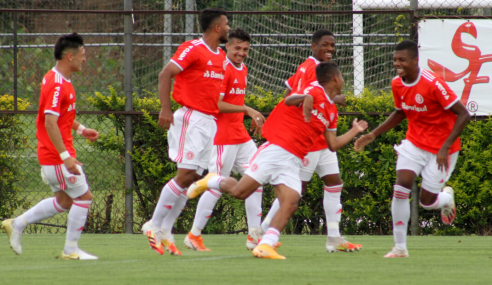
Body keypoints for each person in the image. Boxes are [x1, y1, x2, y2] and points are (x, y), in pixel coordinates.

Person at [187, 62, 368, 259]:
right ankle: (211, 181)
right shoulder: (314, 90)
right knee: (240, 192)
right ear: (335, 78)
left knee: (290, 202)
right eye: (342, 76)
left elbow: (332, 144)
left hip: (293, 160)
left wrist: (354, 131)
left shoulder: (331, 111)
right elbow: (290, 99)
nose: (343, 80)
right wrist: (305, 97)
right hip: (275, 151)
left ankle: (265, 245)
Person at [354, 40, 470, 258]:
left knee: (426, 203)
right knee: (401, 187)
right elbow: (400, 112)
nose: (397, 64)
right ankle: (400, 247)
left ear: (415, 61)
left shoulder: (433, 83)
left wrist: (445, 147)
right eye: (395, 60)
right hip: (415, 143)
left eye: (402, 60)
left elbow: (464, 114)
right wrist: (373, 134)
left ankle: (445, 199)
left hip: (443, 149)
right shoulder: (397, 84)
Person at [254, 29, 361, 252]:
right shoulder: (314, 69)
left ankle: (334, 238)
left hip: (323, 142)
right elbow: (301, 98)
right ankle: (260, 232)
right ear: (314, 46)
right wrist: (334, 99)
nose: (330, 49)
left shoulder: (306, 66)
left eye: (332, 45)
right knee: (294, 190)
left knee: (334, 183)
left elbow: (289, 96)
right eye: (325, 45)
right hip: (310, 142)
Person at [1, 33, 100, 260]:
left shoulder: (59, 80)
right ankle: (70, 250)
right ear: (69, 56)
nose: (85, 59)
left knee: (65, 201)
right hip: (56, 156)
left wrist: (82, 129)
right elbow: (50, 122)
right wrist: (65, 157)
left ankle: (17, 224)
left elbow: (60, 117)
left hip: (55, 154)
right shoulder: (57, 84)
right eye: (82, 55)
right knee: (84, 197)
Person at [141, 8, 230, 256]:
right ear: (216, 28)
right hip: (191, 118)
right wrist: (165, 109)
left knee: (192, 178)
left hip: (209, 122)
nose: (229, 28)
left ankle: (167, 232)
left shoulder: (221, 55)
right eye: (226, 24)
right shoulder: (193, 48)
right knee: (186, 174)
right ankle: (153, 224)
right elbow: (165, 74)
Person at [183, 28, 267, 251]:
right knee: (216, 186)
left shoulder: (243, 68)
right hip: (221, 138)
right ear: (226, 46)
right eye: (237, 48)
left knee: (256, 180)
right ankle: (193, 235)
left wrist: (244, 114)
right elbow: (216, 105)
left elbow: (233, 102)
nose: (241, 53)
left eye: (245, 49)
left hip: (240, 136)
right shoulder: (222, 69)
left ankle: (253, 236)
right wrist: (248, 109)